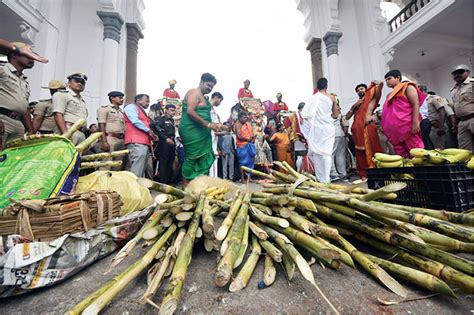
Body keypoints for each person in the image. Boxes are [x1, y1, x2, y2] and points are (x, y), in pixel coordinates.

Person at [179, 73, 222, 186]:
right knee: (192, 158)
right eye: (208, 85)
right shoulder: (194, 93)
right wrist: (207, 124)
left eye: (212, 87)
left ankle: (200, 186)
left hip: (202, 132)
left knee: (203, 158)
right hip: (191, 130)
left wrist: (216, 126)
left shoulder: (205, 98)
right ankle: (186, 186)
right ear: (201, 82)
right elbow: (190, 111)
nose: (210, 88)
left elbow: (205, 116)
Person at [381, 70, 426, 158]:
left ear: (398, 78)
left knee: (416, 152)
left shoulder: (407, 86)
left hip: (407, 126)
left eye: (389, 79)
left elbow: (415, 104)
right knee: (402, 157)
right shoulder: (389, 95)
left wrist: (415, 122)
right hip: (395, 131)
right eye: (385, 80)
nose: (387, 81)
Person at [0, 41, 36, 149]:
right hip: (2, 119)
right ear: (14, 55)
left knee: (12, 161)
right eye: (28, 55)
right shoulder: (2, 70)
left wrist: (30, 130)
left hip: (18, 124)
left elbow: (25, 108)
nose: (32, 59)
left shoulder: (24, 81)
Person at [301, 78, 338, 183]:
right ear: (327, 86)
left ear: (317, 87)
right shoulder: (332, 97)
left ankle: (320, 178)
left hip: (316, 128)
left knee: (317, 152)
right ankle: (327, 178)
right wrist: (326, 115)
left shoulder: (313, 98)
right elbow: (335, 115)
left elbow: (305, 114)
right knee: (327, 153)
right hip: (328, 128)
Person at [345, 82, 385, 180]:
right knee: (360, 152)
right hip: (356, 131)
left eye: (362, 89)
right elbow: (346, 117)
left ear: (366, 90)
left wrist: (375, 84)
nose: (360, 91)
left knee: (373, 148)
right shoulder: (357, 104)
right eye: (358, 90)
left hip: (368, 128)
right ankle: (364, 174)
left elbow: (379, 86)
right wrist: (353, 107)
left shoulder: (370, 100)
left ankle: (377, 173)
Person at [123, 94, 157, 177]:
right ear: (138, 100)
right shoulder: (131, 107)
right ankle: (134, 187)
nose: (148, 103)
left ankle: (137, 187)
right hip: (135, 141)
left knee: (140, 168)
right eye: (146, 101)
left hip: (143, 142)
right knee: (137, 168)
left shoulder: (142, 111)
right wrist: (148, 131)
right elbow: (134, 121)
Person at [52, 73, 88, 145]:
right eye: (77, 81)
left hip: (81, 132)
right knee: (65, 155)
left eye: (82, 82)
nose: (80, 84)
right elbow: (58, 114)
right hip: (68, 130)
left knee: (76, 156)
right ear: (69, 82)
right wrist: (66, 134)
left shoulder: (81, 100)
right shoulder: (62, 94)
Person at [94, 91, 126, 169]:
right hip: (109, 138)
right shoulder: (105, 109)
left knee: (117, 166)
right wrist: (104, 142)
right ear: (112, 98)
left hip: (120, 140)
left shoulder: (121, 112)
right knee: (106, 165)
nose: (122, 99)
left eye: (122, 98)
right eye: (120, 98)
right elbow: (101, 125)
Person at [151, 104, 177, 184]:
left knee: (170, 162)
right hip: (164, 142)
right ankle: (163, 182)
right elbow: (156, 129)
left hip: (172, 142)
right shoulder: (160, 119)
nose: (174, 112)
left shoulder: (171, 120)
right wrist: (165, 138)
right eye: (172, 110)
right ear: (166, 110)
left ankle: (169, 181)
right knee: (163, 162)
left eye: (174, 110)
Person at [450, 64, 473, 151]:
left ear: (468, 72)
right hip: (461, 122)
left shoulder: (472, 84)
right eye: (454, 73)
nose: (457, 75)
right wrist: (455, 123)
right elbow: (456, 107)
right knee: (464, 150)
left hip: (472, 118)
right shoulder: (453, 89)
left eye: (460, 72)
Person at [234, 111, 256, 183]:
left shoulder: (248, 124)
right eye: (244, 117)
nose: (245, 119)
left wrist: (252, 137)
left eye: (246, 117)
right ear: (239, 118)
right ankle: (243, 178)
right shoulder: (237, 125)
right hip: (241, 146)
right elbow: (239, 136)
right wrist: (247, 139)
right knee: (242, 163)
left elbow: (251, 134)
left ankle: (249, 177)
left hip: (249, 145)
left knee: (251, 161)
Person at [330, 98, 347, 182]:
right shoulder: (338, 110)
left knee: (330, 154)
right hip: (340, 133)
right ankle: (343, 175)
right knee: (340, 155)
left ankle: (334, 174)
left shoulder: (329, 110)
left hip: (332, 134)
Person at [210, 92, 224, 177]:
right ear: (216, 98)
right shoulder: (208, 108)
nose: (220, 103)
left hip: (213, 141)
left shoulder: (213, 110)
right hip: (210, 140)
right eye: (220, 101)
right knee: (211, 165)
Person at [418, 85, 433, 149]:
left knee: (426, 139)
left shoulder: (430, 98)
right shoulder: (418, 98)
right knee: (425, 139)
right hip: (422, 120)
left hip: (426, 120)